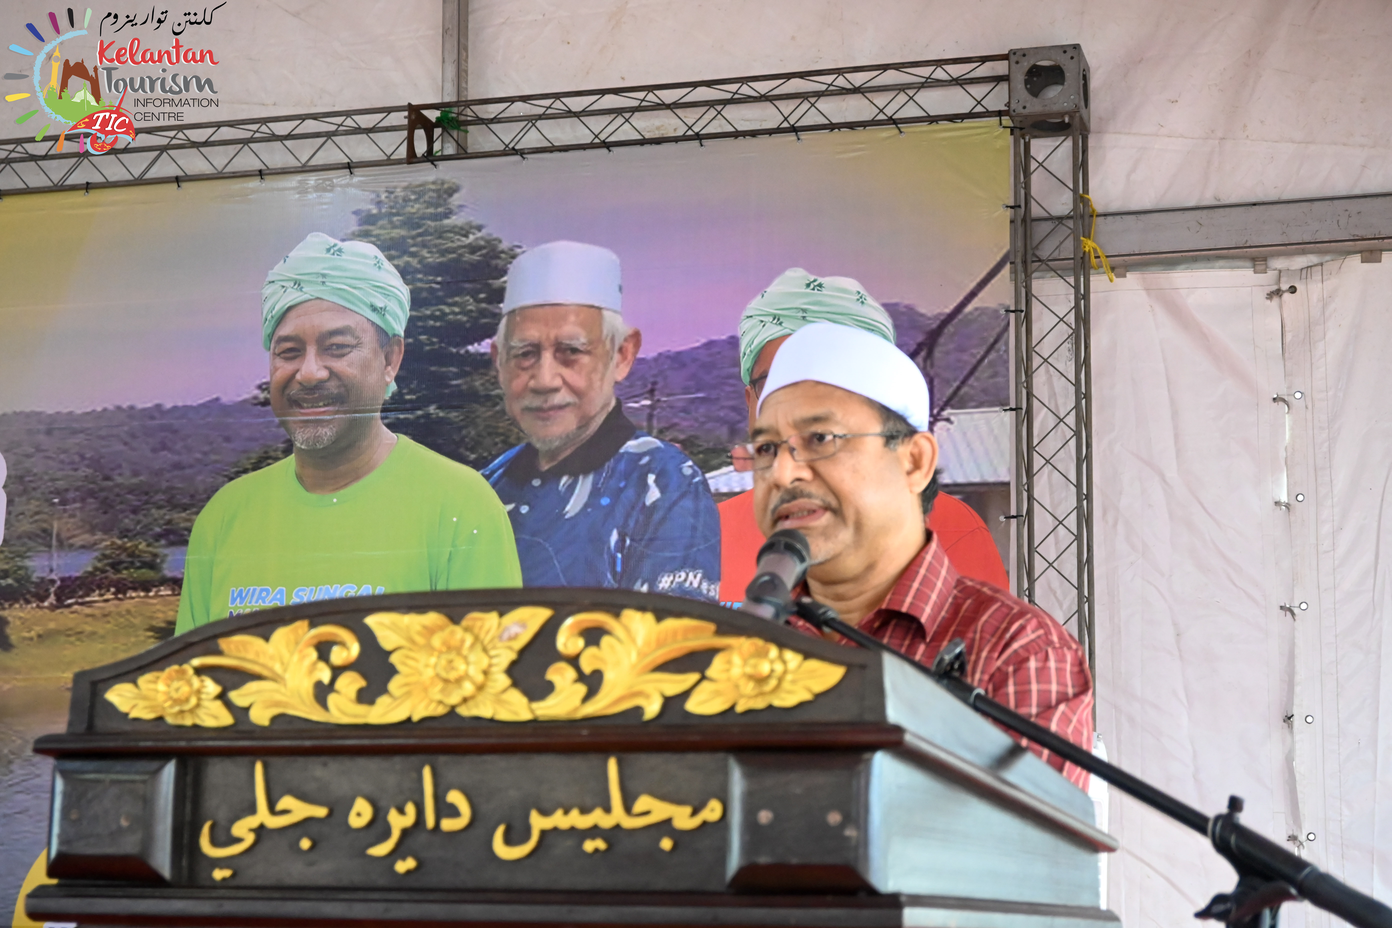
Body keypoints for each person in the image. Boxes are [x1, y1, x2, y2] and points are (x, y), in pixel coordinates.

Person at [742, 321, 1092, 787]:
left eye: (820, 439)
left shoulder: (1016, 651)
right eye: (767, 448)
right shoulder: (736, 648)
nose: (783, 473)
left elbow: (1026, 832)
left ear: (914, 461)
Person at [174, 233, 521, 634]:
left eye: (337, 347)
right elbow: (190, 673)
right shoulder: (224, 518)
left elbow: (493, 672)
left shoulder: (461, 507)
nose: (309, 373)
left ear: (390, 359)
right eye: (288, 352)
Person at [718, 268, 1009, 602]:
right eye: (776, 384)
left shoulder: (951, 527)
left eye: (830, 380)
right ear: (750, 403)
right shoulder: (706, 534)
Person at [481, 241, 721, 600]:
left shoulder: (664, 482)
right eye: (525, 354)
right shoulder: (487, 485)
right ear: (499, 362)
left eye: (571, 352)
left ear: (621, 355)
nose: (545, 380)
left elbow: (673, 629)